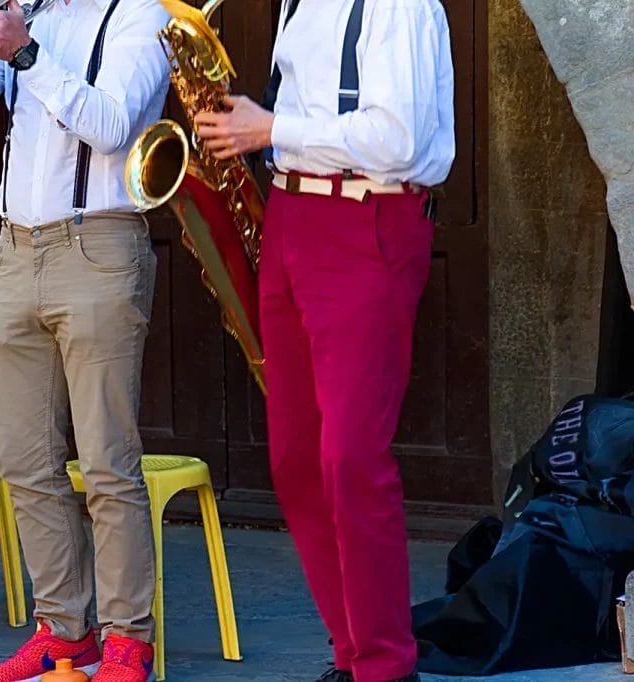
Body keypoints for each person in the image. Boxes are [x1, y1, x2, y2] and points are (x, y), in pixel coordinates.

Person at [195, 0, 455, 681]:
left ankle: (386, 667)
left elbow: (397, 138)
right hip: (292, 213)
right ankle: (352, 653)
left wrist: (272, 127)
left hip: (368, 215)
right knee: (296, 459)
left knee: (348, 456)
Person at [0, 0, 170, 679]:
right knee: (22, 459)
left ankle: (128, 637)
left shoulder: (143, 17)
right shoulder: (30, 13)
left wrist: (24, 53)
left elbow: (110, 127)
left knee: (106, 461)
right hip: (15, 250)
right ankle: (64, 627)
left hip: (99, 242)